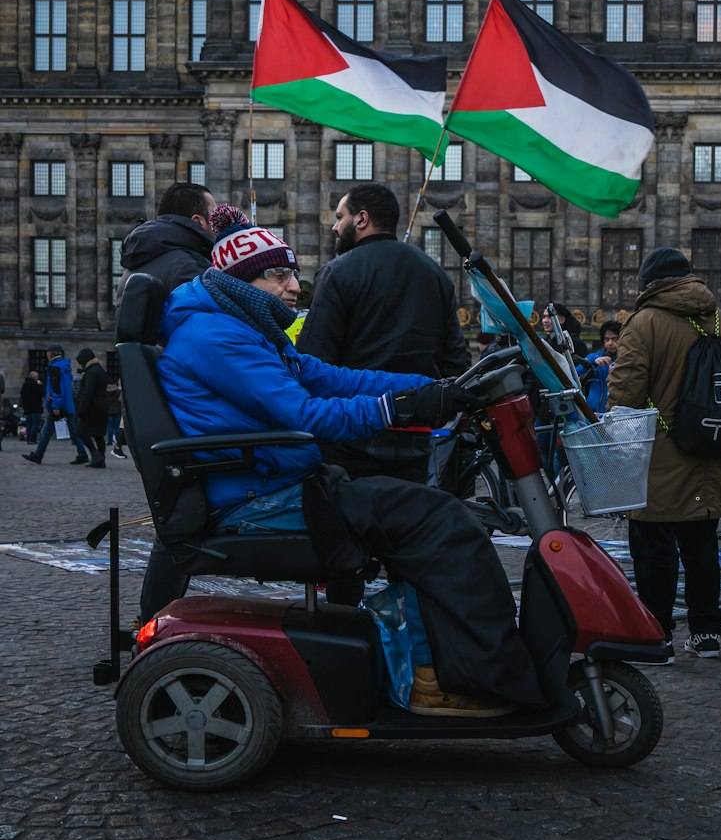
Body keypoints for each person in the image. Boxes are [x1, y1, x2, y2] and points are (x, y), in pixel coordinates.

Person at [154, 208, 540, 717]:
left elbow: (337, 378)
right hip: (257, 499)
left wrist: (438, 390)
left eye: (292, 272)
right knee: (438, 520)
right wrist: (401, 408)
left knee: (432, 512)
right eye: (279, 274)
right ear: (241, 279)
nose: (295, 286)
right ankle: (445, 679)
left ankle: (449, 664)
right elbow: (305, 414)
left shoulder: (244, 328)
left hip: (275, 484)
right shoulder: (217, 337)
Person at [606, 247, 721, 663]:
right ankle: (707, 632)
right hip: (711, 450)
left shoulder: (644, 322)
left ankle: (659, 635)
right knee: (702, 547)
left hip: (659, 457)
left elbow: (626, 393)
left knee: (654, 549)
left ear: (648, 283)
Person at [300, 183, 469, 484]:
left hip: (350, 435)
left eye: (340, 217)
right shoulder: (435, 274)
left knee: (350, 523)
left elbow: (313, 361)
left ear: (361, 219)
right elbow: (456, 361)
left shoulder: (337, 272)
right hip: (415, 438)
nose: (334, 227)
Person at [117, 181, 218, 620]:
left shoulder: (147, 259)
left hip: (153, 412)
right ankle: (154, 625)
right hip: (181, 414)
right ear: (197, 221)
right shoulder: (186, 266)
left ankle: (154, 622)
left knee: (176, 522)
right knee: (179, 526)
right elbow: (206, 350)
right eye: (214, 217)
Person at [23, 348, 85, 464]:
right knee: (72, 431)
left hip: (59, 405)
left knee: (46, 430)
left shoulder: (55, 368)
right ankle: (83, 454)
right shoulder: (64, 367)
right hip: (67, 404)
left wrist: (56, 405)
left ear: (50, 354)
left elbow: (57, 388)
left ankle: (38, 454)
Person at [74, 346, 108, 467]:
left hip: (92, 409)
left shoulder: (91, 372)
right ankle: (101, 460)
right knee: (99, 435)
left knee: (81, 432)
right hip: (102, 407)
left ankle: (96, 455)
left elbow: (88, 393)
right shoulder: (99, 370)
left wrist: (81, 410)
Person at [582, 322, 621, 413]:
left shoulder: (627, 360)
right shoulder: (593, 357)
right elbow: (574, 373)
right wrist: (593, 363)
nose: (610, 343)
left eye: (614, 339)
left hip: (618, 413)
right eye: (606, 339)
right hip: (593, 412)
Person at [20, 370, 43, 445]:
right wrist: (40, 385)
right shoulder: (35, 384)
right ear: (34, 377)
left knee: (29, 423)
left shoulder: (25, 384)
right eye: (37, 376)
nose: (37, 378)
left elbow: (22, 395)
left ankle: (29, 438)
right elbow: (41, 392)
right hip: (35, 406)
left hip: (27, 407)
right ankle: (32, 439)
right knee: (35, 424)